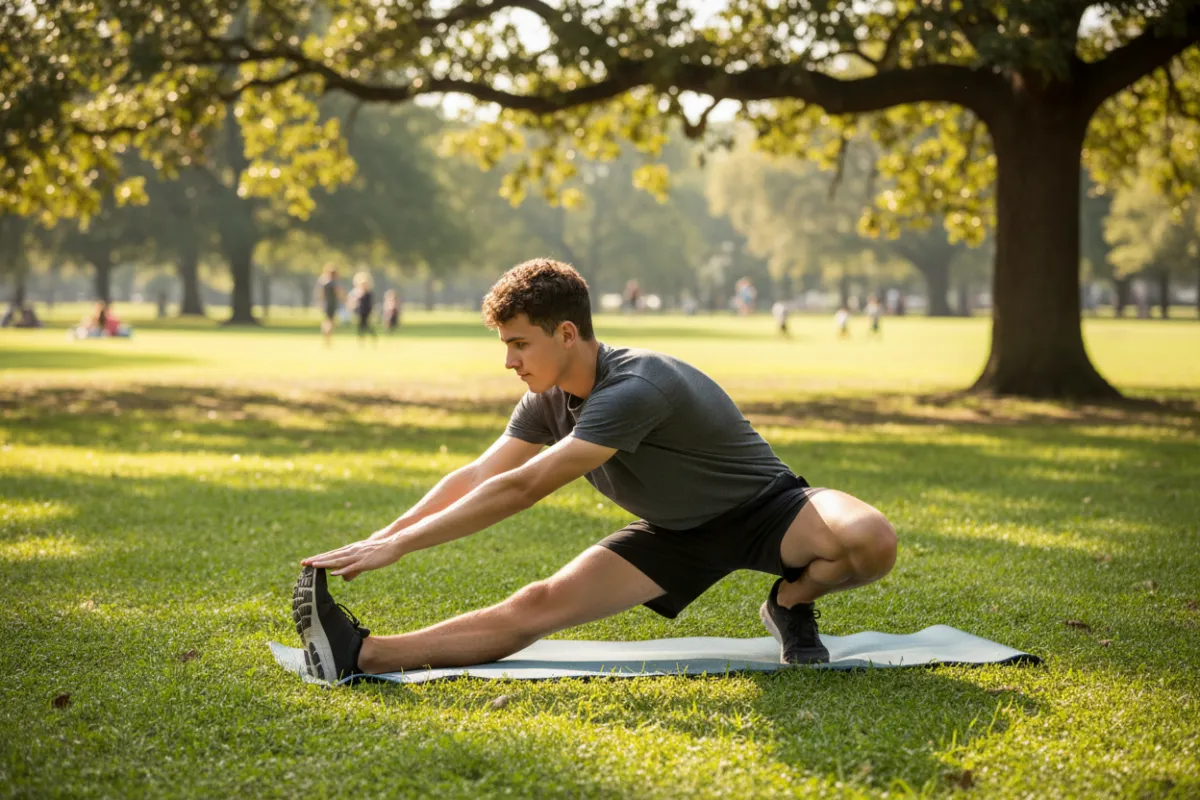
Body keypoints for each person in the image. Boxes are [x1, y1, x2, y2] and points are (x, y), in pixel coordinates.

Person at [293, 258, 897, 684]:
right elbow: (479, 474)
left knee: (870, 540)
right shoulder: (546, 399)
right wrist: (382, 537)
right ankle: (359, 654)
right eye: (504, 344)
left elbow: (525, 486)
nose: (509, 361)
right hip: (675, 535)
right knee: (538, 605)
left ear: (566, 332)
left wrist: (400, 547)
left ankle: (790, 602)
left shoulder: (635, 387)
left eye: (520, 344)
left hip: (768, 510)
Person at [314, 265, 345, 347]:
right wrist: (344, 301)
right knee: (330, 322)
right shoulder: (333, 283)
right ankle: (328, 338)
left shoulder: (323, 282)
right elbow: (339, 293)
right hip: (332, 304)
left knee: (327, 321)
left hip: (325, 303)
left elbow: (320, 293)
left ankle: (326, 335)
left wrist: (320, 301)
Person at [348, 271, 377, 344]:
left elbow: (371, 302)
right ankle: (361, 338)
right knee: (361, 325)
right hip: (360, 311)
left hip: (366, 311)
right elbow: (352, 300)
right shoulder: (357, 292)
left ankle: (370, 335)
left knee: (365, 324)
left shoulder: (368, 293)